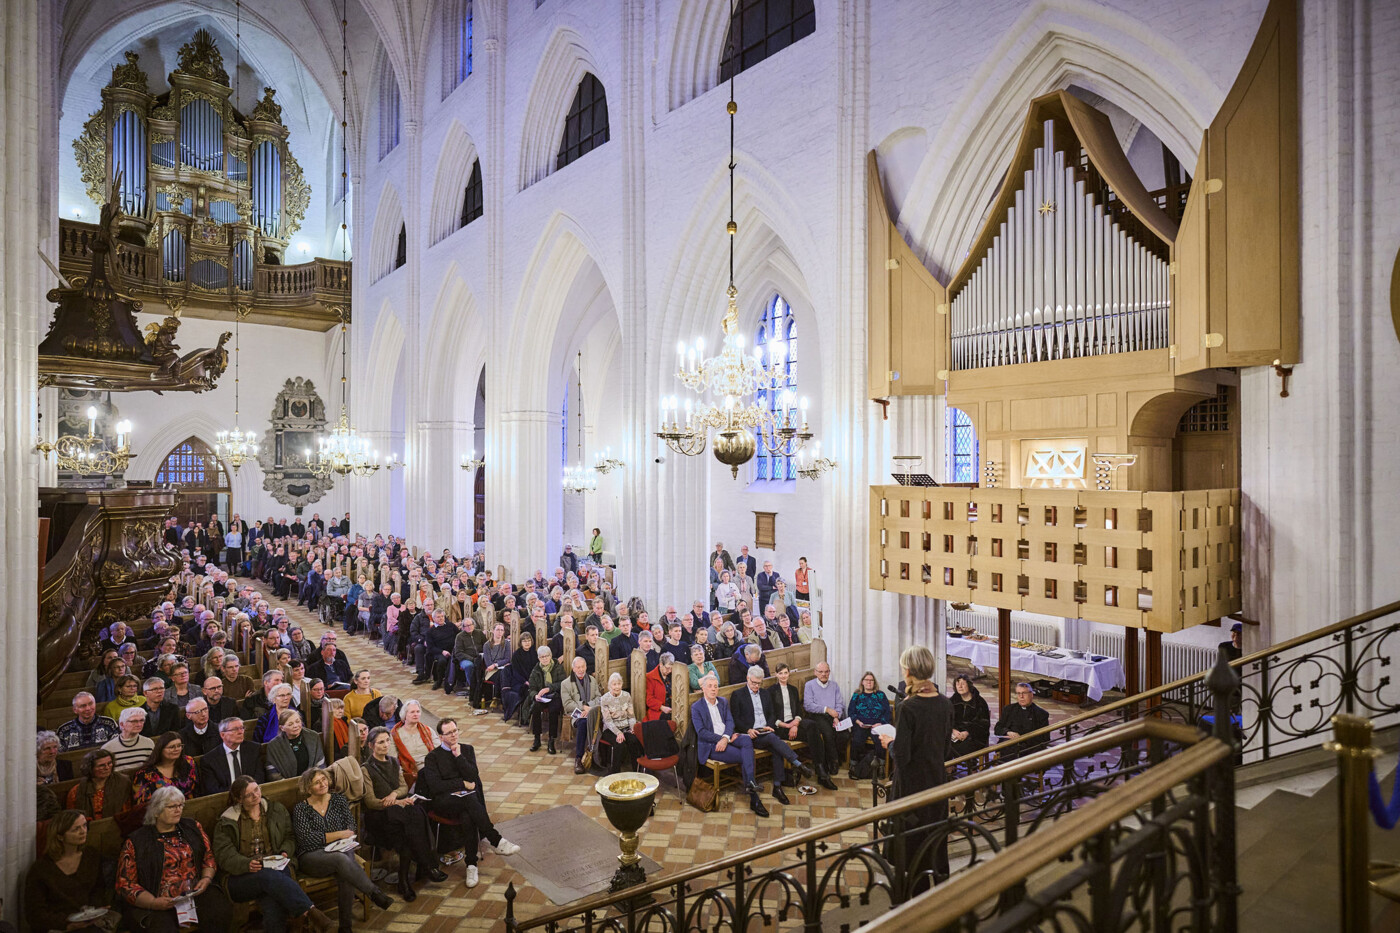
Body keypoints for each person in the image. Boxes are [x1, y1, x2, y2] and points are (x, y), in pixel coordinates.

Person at [213, 777, 335, 933]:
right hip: (241, 877)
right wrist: (246, 864)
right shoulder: (227, 822)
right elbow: (224, 855)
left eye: (257, 789)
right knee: (267, 876)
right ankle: (311, 912)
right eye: (249, 794)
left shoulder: (275, 810)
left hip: (275, 866)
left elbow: (290, 836)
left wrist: (285, 851)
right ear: (239, 799)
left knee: (272, 900)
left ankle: (295, 919)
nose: (256, 795)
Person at [879, 645, 953, 891]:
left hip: (911, 787)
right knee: (936, 846)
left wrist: (890, 743)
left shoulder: (908, 707)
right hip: (937, 783)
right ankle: (943, 902)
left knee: (913, 850)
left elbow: (902, 756)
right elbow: (945, 749)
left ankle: (918, 905)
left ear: (908, 671)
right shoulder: (945, 704)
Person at [417, 719, 519, 889]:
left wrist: (458, 757)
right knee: (469, 799)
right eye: (449, 733)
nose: (454, 734)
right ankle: (496, 840)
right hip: (444, 802)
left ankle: (471, 865)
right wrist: (461, 784)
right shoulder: (432, 757)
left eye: (455, 730)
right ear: (441, 737)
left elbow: (473, 776)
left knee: (468, 813)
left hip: (465, 801)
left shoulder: (467, 750)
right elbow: (436, 787)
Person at [116, 786, 232, 933]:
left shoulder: (193, 827)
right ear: (156, 810)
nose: (178, 810)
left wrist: (206, 879)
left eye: (180, 805)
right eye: (172, 806)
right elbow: (126, 884)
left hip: (194, 893)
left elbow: (208, 857)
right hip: (157, 900)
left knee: (219, 911)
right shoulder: (136, 841)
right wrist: (153, 902)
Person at [292, 768, 393, 928]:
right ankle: (373, 892)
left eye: (323, 779)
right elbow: (307, 840)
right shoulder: (301, 809)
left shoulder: (338, 800)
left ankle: (345, 927)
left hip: (341, 848)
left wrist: (344, 836)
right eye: (316, 783)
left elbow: (351, 825)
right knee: (342, 859)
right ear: (308, 788)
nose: (322, 784)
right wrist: (339, 834)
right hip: (313, 856)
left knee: (345, 866)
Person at [358, 726, 444, 903]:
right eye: (381, 742)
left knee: (417, 814)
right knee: (409, 821)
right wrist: (396, 801)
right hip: (379, 815)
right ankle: (427, 865)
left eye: (387, 741)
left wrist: (394, 796)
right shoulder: (365, 769)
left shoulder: (393, 762)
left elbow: (404, 787)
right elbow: (371, 801)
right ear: (371, 746)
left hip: (398, 811)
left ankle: (405, 880)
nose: (386, 745)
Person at [730, 666, 813, 804]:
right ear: (747, 679)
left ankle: (777, 786)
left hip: (766, 731)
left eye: (759, 683)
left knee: (776, 748)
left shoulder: (764, 693)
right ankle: (797, 764)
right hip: (751, 736)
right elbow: (736, 719)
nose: (756, 686)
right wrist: (748, 729)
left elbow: (771, 714)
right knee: (774, 739)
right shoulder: (738, 695)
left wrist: (769, 725)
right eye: (754, 683)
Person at [691, 673, 768, 817]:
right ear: (703, 688)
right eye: (710, 686)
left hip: (727, 738)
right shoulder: (697, 707)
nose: (714, 689)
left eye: (716, 686)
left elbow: (730, 722)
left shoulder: (723, 702)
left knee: (746, 740)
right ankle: (754, 796)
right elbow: (701, 732)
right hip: (711, 745)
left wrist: (726, 737)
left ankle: (750, 785)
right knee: (745, 755)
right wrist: (721, 739)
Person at [26, 811, 115, 933]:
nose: (83, 831)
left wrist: (96, 910)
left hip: (88, 922)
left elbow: (98, 890)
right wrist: (67, 924)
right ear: (60, 836)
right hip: (58, 926)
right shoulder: (41, 869)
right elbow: (35, 914)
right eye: (75, 829)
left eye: (84, 826)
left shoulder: (91, 856)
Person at [768, 663, 838, 789]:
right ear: (776, 675)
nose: (783, 676)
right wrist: (788, 726)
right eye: (780, 673)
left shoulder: (793, 690)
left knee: (812, 726)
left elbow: (799, 712)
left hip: (794, 723)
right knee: (814, 735)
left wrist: (795, 723)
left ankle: (820, 769)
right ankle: (822, 773)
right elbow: (771, 715)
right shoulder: (771, 691)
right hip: (781, 727)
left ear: (789, 673)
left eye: (785, 673)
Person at [197, 718, 264, 796]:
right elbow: (213, 789)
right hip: (226, 799)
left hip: (253, 795)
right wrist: (239, 794)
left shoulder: (254, 749)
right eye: (235, 729)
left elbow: (260, 778)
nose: (240, 732)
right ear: (222, 735)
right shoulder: (209, 760)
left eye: (242, 728)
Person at [131, 733, 199, 809]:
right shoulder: (145, 774)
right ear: (161, 749)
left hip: (190, 807)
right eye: (172, 747)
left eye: (179, 746)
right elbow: (142, 805)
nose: (176, 749)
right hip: (160, 814)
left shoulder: (189, 762)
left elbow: (197, 790)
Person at [66, 748, 134, 819]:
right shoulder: (76, 791)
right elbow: (72, 818)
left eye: (109, 763)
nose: (107, 768)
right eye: (101, 765)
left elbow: (129, 809)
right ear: (90, 768)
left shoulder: (123, 782)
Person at [596, 672, 643, 772]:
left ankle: (637, 771)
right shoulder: (604, 699)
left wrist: (632, 728)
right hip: (610, 730)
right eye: (614, 684)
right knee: (619, 743)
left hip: (626, 727)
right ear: (609, 686)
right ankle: (615, 773)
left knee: (634, 740)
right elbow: (607, 720)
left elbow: (631, 716)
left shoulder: (627, 696)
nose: (617, 687)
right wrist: (618, 733)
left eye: (619, 684)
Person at [848, 671, 893, 771]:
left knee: (880, 740)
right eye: (867, 680)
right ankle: (854, 766)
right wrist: (858, 722)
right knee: (857, 740)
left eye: (871, 680)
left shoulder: (881, 695)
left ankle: (881, 766)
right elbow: (851, 712)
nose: (869, 682)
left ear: (874, 682)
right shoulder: (857, 695)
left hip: (877, 725)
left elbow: (887, 712)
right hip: (860, 724)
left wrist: (880, 723)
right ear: (862, 682)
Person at [994, 682, 1051, 759]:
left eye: (1024, 693)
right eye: (1018, 693)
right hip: (1008, 745)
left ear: (1031, 695)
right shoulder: (1009, 709)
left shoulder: (1041, 714)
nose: (1021, 697)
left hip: (1029, 748)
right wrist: (1008, 732)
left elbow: (1045, 738)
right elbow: (998, 728)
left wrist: (1021, 739)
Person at [264, 709, 325, 781]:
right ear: (282, 728)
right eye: (290, 724)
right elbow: (271, 769)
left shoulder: (313, 736)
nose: (295, 726)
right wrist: (285, 784)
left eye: (297, 721)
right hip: (286, 786)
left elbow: (320, 762)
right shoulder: (274, 745)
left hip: (313, 782)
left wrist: (314, 780)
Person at [561, 656, 598, 774]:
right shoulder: (565, 683)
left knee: (598, 722)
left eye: (583, 667)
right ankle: (578, 758)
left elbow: (599, 698)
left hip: (591, 711)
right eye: (578, 667)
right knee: (583, 723)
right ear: (573, 669)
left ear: (586, 667)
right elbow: (567, 705)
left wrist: (590, 707)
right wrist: (582, 707)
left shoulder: (592, 680)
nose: (581, 670)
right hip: (575, 713)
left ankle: (597, 757)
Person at [526, 645, 566, 753]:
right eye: (542, 657)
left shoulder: (557, 667)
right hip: (542, 697)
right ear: (539, 658)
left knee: (553, 710)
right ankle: (537, 739)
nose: (544, 659)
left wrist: (549, 688)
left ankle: (551, 740)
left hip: (555, 696)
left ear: (551, 656)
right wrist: (535, 696)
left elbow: (563, 683)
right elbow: (532, 687)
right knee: (535, 708)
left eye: (546, 656)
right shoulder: (536, 670)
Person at [948, 674, 991, 764]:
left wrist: (967, 732)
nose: (960, 686)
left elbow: (983, 724)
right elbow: (947, 719)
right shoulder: (952, 701)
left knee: (963, 746)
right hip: (955, 734)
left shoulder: (980, 702)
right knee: (943, 743)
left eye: (963, 683)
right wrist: (953, 730)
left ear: (969, 685)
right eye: (957, 684)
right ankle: (950, 768)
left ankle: (971, 768)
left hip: (975, 736)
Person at [391, 700, 434, 782]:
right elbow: (393, 759)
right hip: (409, 773)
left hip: (431, 769)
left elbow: (438, 752)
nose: (416, 714)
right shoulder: (395, 735)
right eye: (412, 712)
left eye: (418, 711)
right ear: (405, 715)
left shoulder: (428, 730)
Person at [644, 653, 676, 722]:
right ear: (661, 664)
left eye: (671, 668)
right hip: (658, 711)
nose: (670, 671)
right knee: (672, 719)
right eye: (667, 668)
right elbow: (649, 699)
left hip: (672, 708)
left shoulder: (673, 675)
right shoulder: (650, 677)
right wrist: (662, 707)